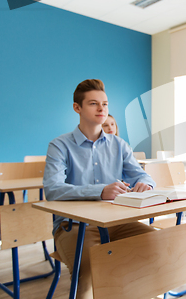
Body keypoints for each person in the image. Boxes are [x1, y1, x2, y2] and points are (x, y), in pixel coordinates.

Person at [43, 79, 156, 299]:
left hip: (117, 222)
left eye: (104, 104)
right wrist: (100, 191)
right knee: (90, 269)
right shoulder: (59, 146)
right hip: (74, 227)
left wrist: (146, 183)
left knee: (162, 247)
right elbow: (53, 190)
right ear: (77, 108)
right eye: (93, 103)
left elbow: (142, 174)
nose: (101, 109)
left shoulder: (119, 145)